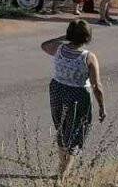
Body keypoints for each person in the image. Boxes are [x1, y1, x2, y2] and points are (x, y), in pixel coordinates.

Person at [41, 20, 106, 182]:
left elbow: (44, 45)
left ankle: (61, 167)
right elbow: (96, 86)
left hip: (57, 91)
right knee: (75, 133)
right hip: (78, 96)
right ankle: (63, 175)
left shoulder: (58, 49)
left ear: (69, 35)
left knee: (62, 129)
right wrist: (102, 107)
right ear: (87, 37)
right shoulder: (89, 58)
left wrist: (66, 37)